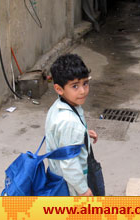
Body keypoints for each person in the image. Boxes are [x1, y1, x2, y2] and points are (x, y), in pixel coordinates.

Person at [45, 54, 98, 196]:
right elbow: (69, 164)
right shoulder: (68, 122)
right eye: (75, 86)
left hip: (57, 174)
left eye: (85, 83)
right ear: (59, 89)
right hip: (70, 184)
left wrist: (83, 134)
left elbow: (62, 137)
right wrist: (83, 190)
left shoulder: (59, 105)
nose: (83, 91)